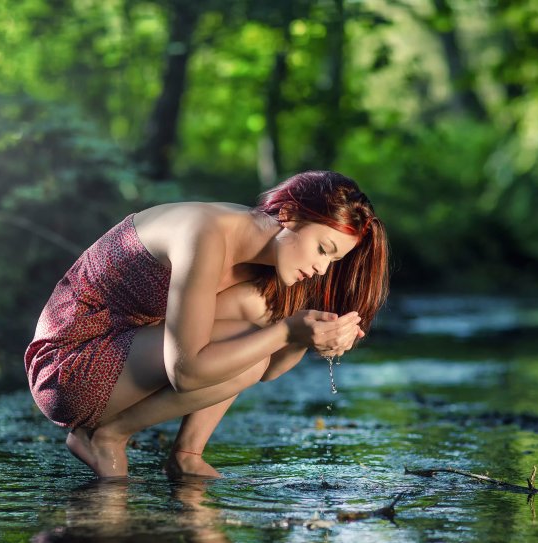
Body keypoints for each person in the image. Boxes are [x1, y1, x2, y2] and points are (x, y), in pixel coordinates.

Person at [24, 170, 389, 478]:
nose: (322, 269)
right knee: (254, 341)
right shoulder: (206, 232)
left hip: (126, 346)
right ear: (290, 214)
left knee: (255, 333)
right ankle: (105, 437)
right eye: (323, 249)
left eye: (334, 260)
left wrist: (307, 337)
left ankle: (187, 455)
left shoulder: (265, 261)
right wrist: (285, 331)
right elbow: (187, 372)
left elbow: (269, 370)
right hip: (68, 366)